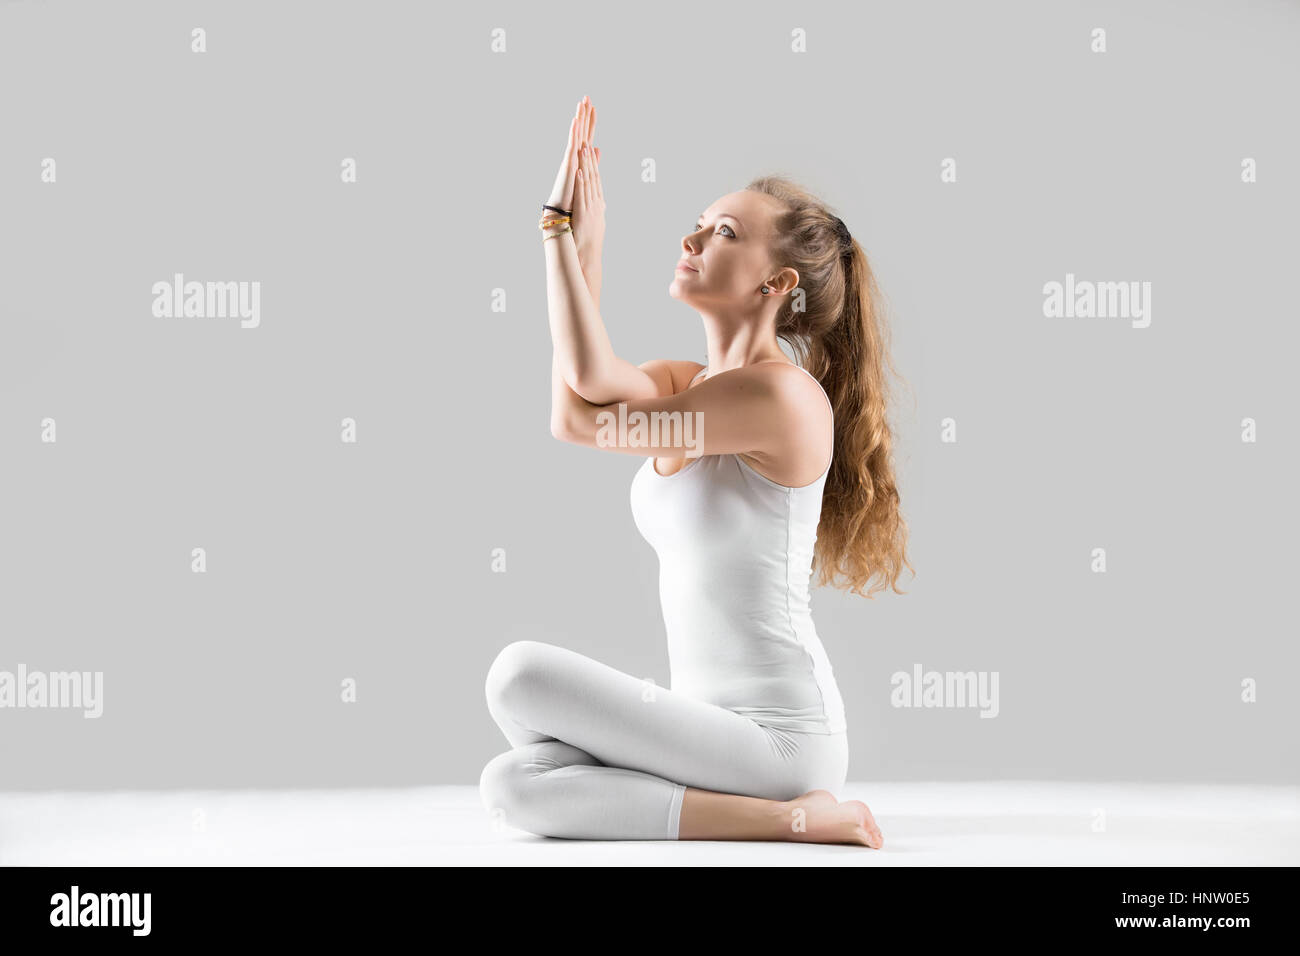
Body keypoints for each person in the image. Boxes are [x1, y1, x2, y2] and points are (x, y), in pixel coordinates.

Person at [480, 96, 912, 845]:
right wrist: (586, 245)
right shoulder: (686, 382)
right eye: (701, 222)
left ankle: (790, 813)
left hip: (778, 737)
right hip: (702, 734)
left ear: (776, 285)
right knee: (512, 784)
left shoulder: (782, 397)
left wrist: (559, 232)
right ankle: (787, 822)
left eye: (724, 233)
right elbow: (573, 403)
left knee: (519, 676)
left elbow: (585, 412)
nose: (691, 237)